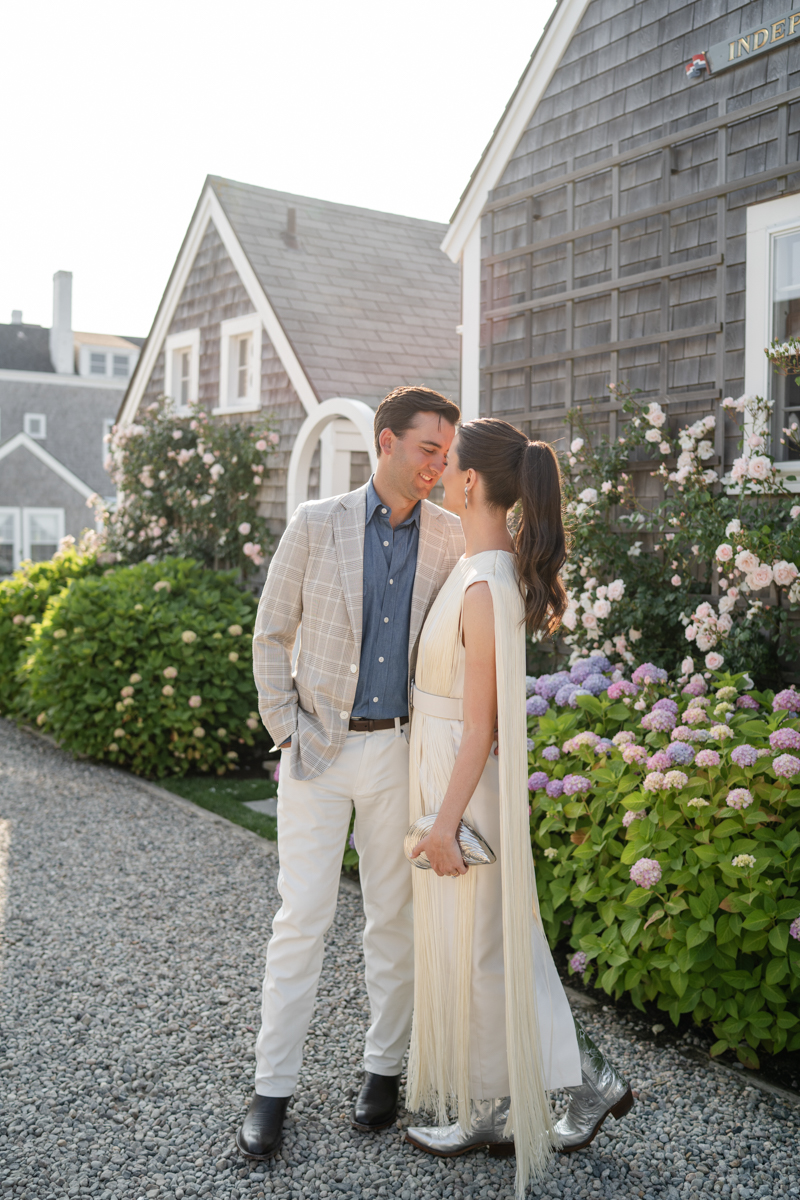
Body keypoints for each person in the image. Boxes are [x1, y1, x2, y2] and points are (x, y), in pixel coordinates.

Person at [403, 419, 632, 1193]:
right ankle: (580, 1081)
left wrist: (442, 822)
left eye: (450, 461)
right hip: (451, 772)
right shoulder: (481, 569)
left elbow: (482, 725)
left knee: (482, 950)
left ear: (470, 484)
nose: (440, 468)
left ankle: (492, 1107)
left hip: (461, 784)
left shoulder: (482, 584)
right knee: (498, 942)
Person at [237, 385, 465, 1160]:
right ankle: (272, 1089)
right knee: (300, 921)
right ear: (387, 441)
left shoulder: (451, 539)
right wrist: (286, 731)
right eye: (428, 447)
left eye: (446, 450)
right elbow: (272, 632)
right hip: (317, 753)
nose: (439, 463)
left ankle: (382, 1070)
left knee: (391, 922)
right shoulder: (315, 523)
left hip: (397, 753)